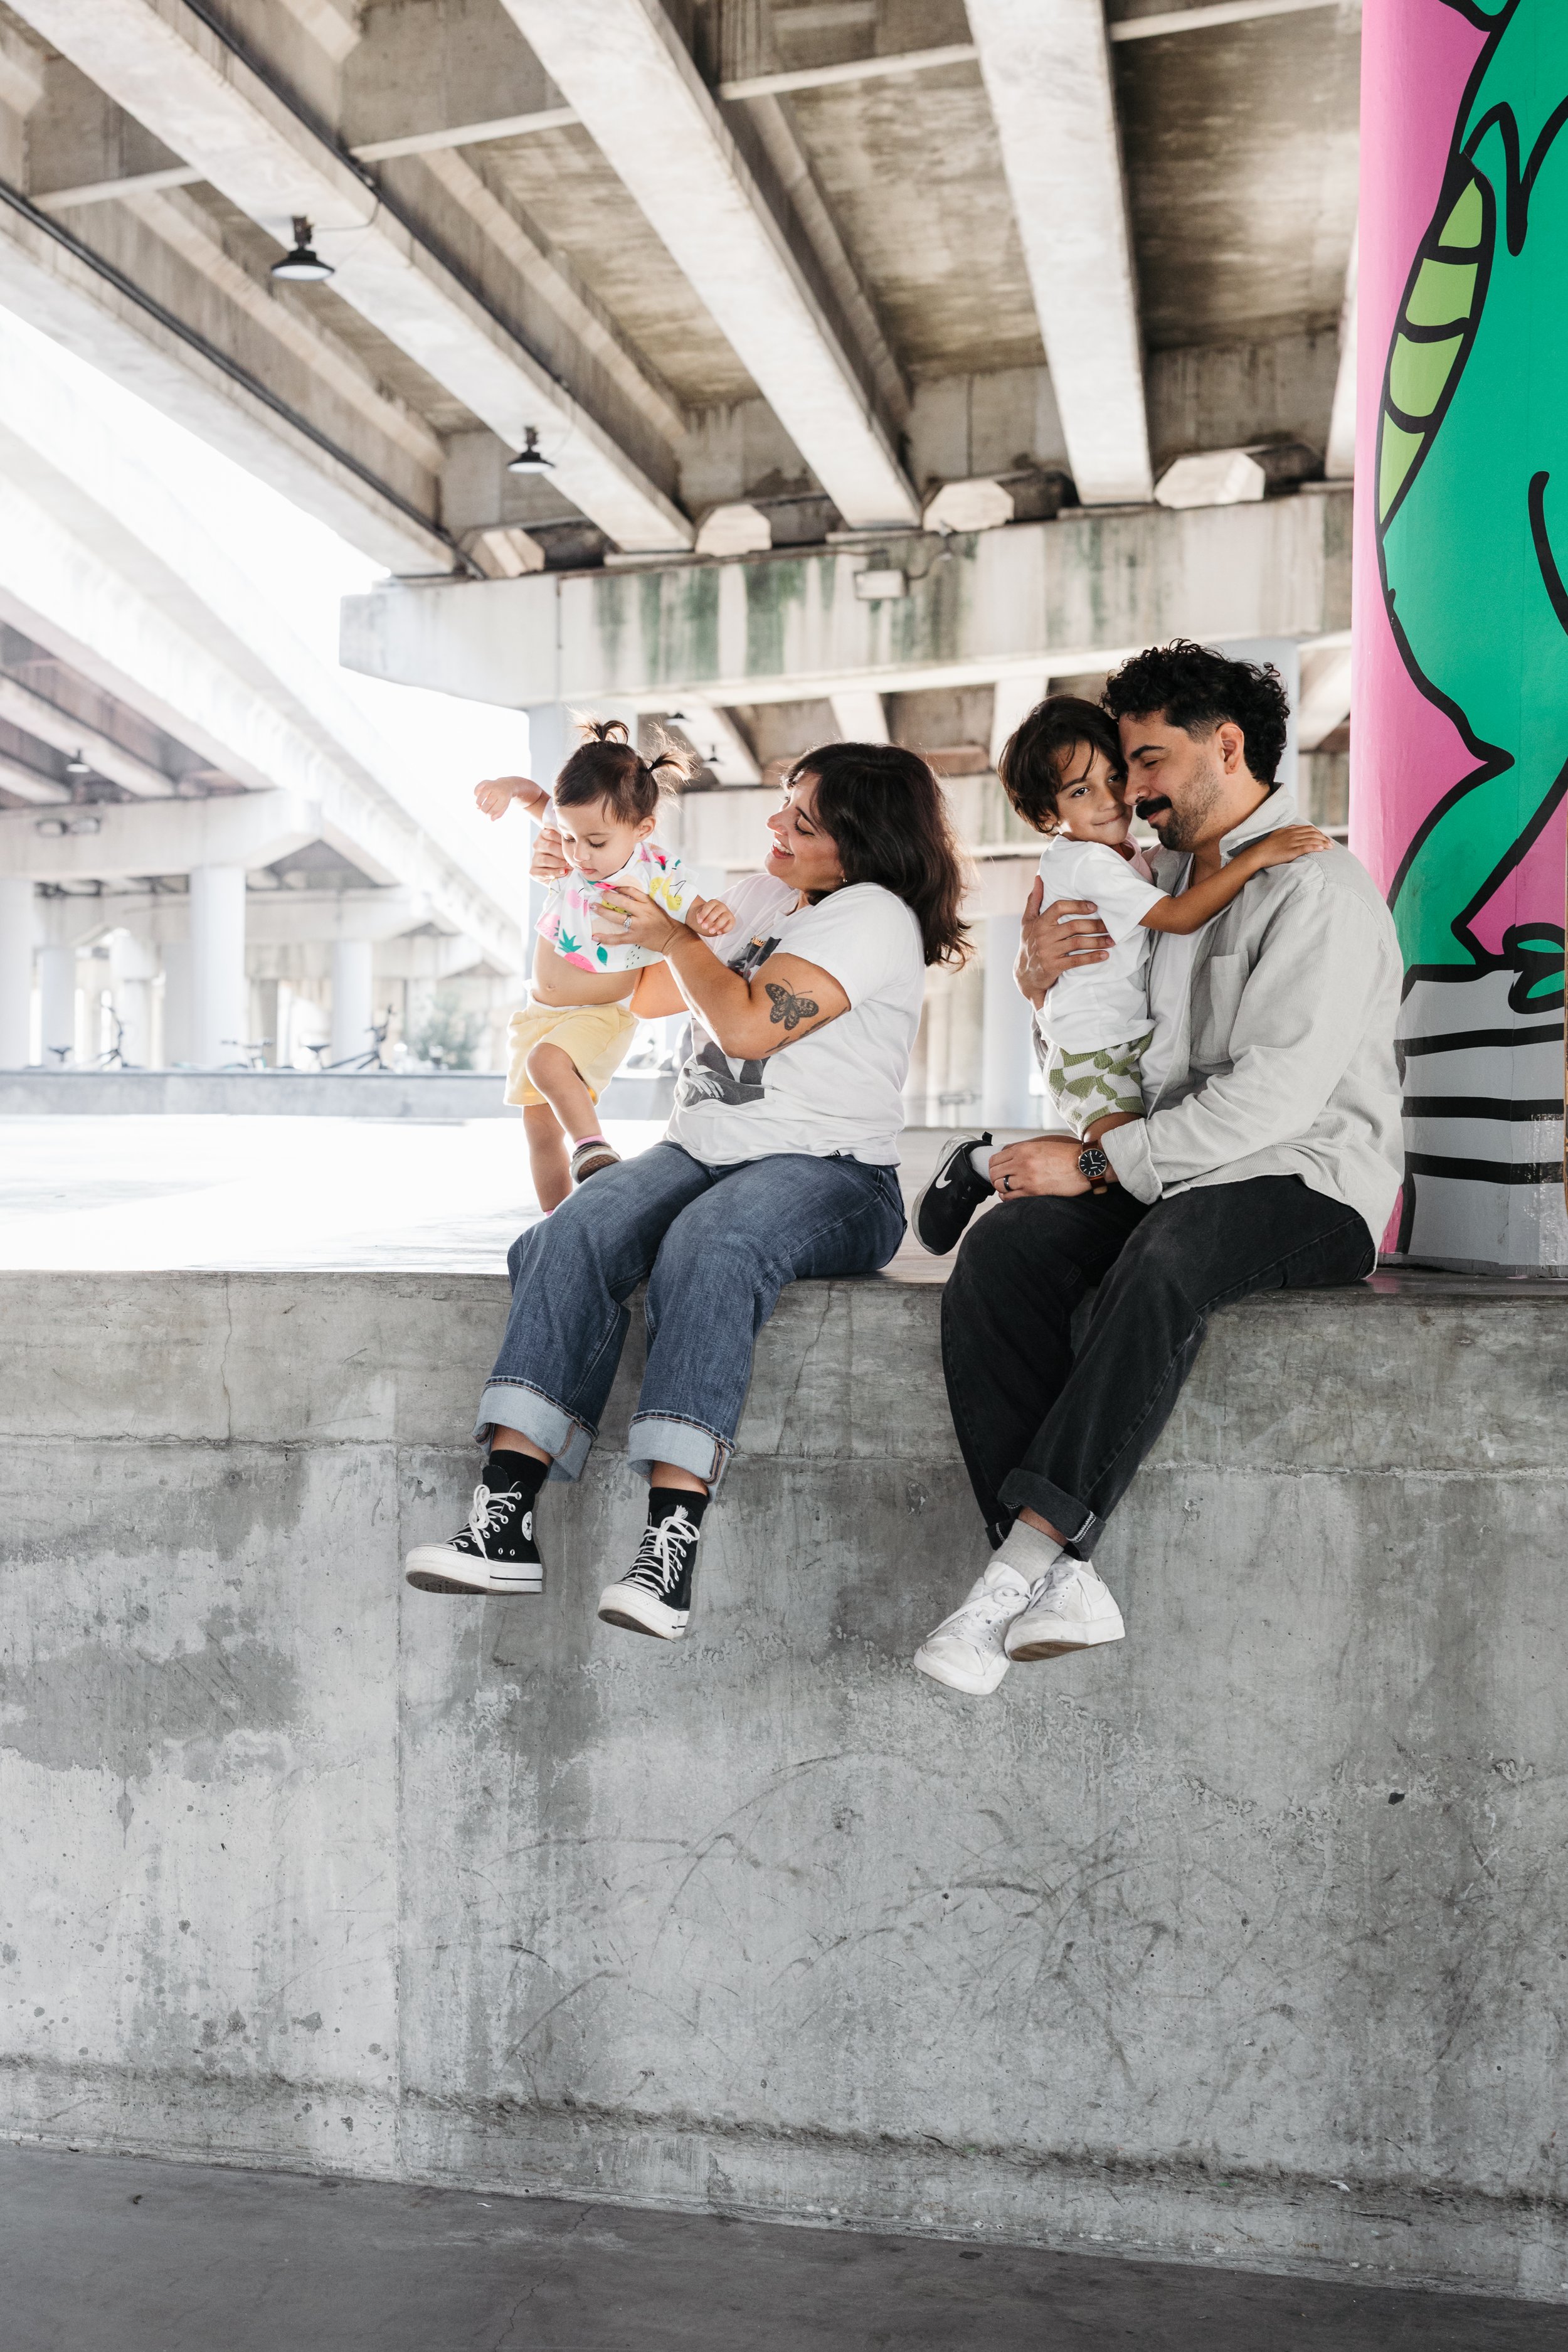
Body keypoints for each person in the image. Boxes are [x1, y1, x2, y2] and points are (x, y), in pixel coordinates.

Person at [913, 641, 1404, 1698]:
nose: (1132, 791)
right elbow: (1109, 1048)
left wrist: (1095, 1161)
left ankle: (1020, 1565)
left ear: (1226, 746)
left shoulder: (1313, 886)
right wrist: (1044, 994)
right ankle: (1070, 1577)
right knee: (1004, 1250)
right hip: (1166, 1170)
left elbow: (1272, 1101)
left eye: (1147, 760)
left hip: (1303, 1183)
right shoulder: (1153, 885)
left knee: (1171, 1254)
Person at [405, 740, 969, 1637]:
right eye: (786, 802)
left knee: (710, 1245)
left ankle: (669, 1547)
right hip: (704, 1149)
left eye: (802, 819)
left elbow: (746, 1027)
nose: (775, 823)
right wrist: (571, 891)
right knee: (568, 1235)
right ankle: (502, 1522)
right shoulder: (753, 898)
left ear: (861, 845)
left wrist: (676, 937)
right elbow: (617, 994)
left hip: (831, 1173)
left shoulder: (872, 918)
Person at [913, 694, 1332, 1255]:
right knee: (1119, 1175)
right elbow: (1180, 917)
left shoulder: (1127, 853)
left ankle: (981, 1161)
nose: (1115, 799)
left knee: (1120, 1167)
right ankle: (978, 1164)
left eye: (1116, 776)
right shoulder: (1088, 861)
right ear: (1047, 814)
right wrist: (1253, 859)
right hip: (1097, 1052)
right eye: (1080, 791)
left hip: (1115, 1040)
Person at [474, 721, 734, 1211]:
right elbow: (535, 798)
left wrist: (710, 914)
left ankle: (595, 1149)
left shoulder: (655, 870)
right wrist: (507, 788)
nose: (579, 854)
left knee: (545, 1063)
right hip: (539, 1014)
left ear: (642, 829)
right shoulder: (574, 834)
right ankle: (557, 1218)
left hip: (600, 1014)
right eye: (571, 839)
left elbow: (695, 907)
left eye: (595, 842)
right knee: (538, 1129)